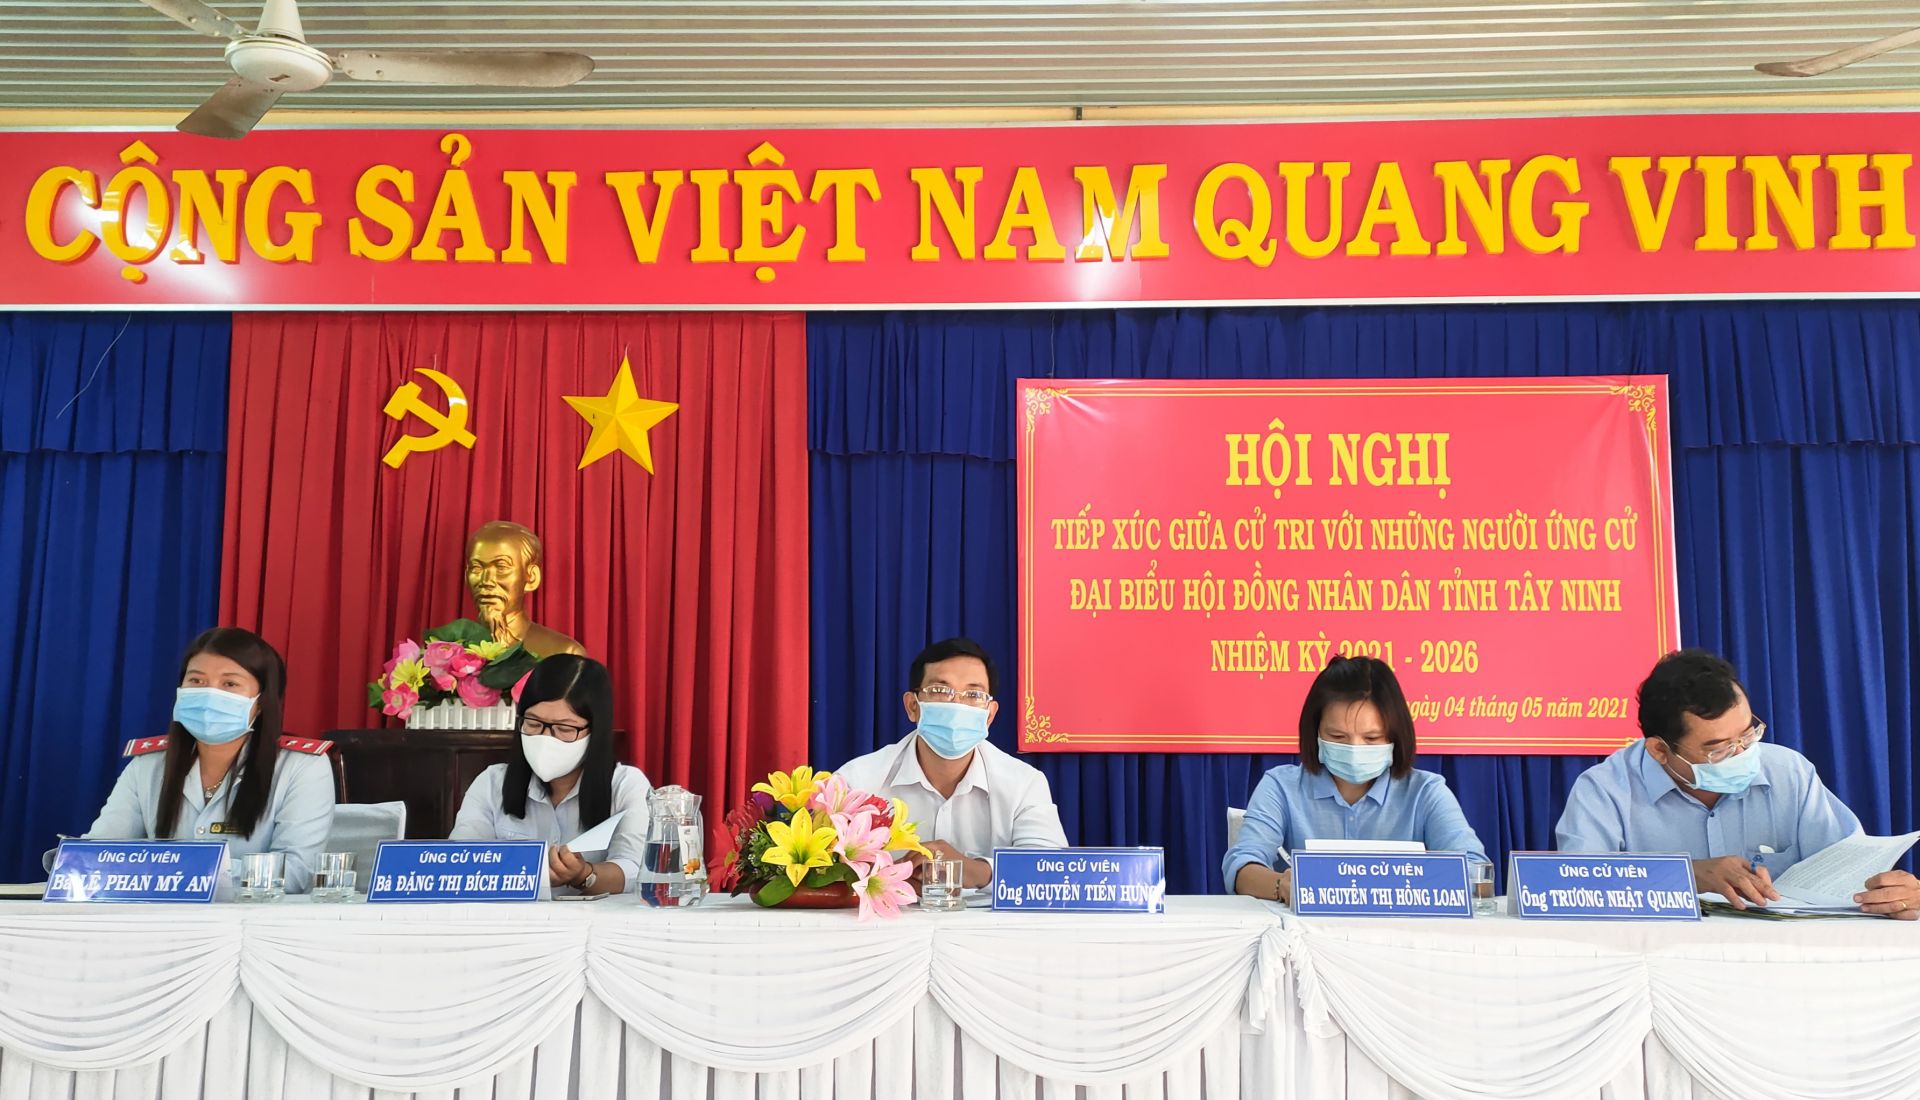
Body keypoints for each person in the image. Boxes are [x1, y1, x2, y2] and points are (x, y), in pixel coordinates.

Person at [1555, 649, 1920, 918]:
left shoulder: (1788, 772)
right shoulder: (1605, 790)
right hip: (1664, 965)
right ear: (1660, 751)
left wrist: (1893, 895)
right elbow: (1576, 889)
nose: (1742, 753)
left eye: (1747, 735)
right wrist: (1690, 875)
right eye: (1719, 749)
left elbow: (1847, 868)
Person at [53, 627, 336, 892]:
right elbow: (101, 853)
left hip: (251, 920)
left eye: (230, 684)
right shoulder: (147, 765)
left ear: (261, 702)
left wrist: (184, 868)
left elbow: (297, 872)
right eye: (196, 681)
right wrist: (73, 863)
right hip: (155, 919)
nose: (209, 694)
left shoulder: (302, 766)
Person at [1224, 655, 1488, 903]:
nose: (1354, 748)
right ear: (1315, 733)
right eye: (1337, 737)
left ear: (1395, 737)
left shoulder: (1426, 792)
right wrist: (1281, 885)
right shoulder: (1281, 786)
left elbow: (1477, 876)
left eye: (1371, 738)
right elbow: (1241, 866)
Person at [834, 638, 1068, 889]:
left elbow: (1049, 872)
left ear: (989, 715)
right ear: (912, 706)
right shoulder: (857, 781)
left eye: (974, 695)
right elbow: (825, 870)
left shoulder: (1024, 783)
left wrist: (974, 871)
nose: (957, 705)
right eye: (940, 690)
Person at [449, 654, 649, 895]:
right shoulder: (492, 784)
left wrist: (584, 875)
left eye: (564, 728)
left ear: (595, 731)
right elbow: (460, 860)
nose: (545, 739)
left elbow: (635, 869)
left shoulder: (626, 786)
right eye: (533, 724)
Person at [465, 520, 587, 658]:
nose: (486, 581)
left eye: (501, 567)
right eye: (477, 568)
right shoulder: (448, 649)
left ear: (531, 577)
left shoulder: (563, 653)